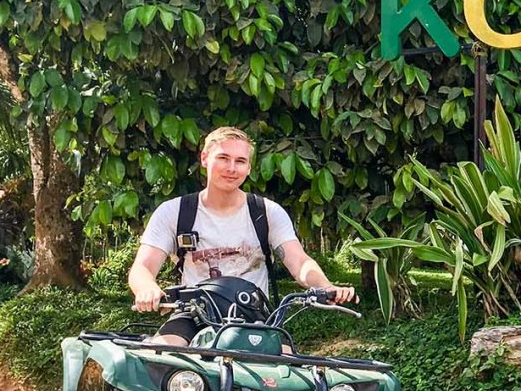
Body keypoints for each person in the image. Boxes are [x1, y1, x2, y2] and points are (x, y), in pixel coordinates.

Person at [128, 126, 355, 343]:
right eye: (223, 158)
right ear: (205, 158)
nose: (231, 168)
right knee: (163, 355)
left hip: (253, 314)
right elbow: (143, 267)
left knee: (285, 364)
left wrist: (325, 286)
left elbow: (299, 261)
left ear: (248, 168)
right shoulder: (174, 212)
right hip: (193, 313)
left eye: (240, 161)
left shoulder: (266, 212)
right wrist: (147, 288)